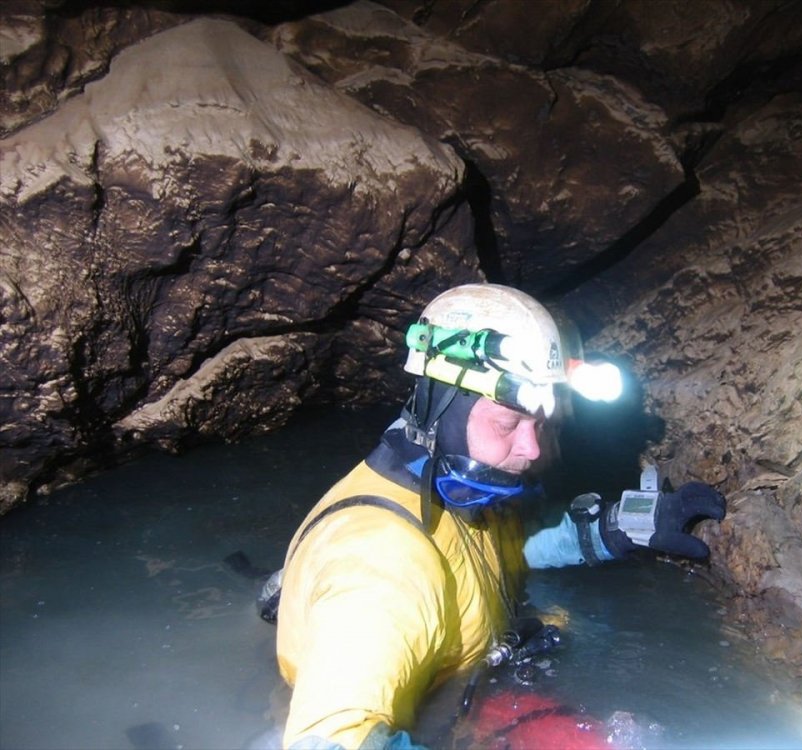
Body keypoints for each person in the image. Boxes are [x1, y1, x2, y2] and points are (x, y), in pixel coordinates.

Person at [272, 283, 725, 750]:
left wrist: (614, 527)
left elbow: (509, 542)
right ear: (440, 410)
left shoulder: (454, 494)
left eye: (541, 424)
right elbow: (327, 740)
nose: (531, 449)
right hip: (430, 714)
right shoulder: (379, 563)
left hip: (465, 691)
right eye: (508, 423)